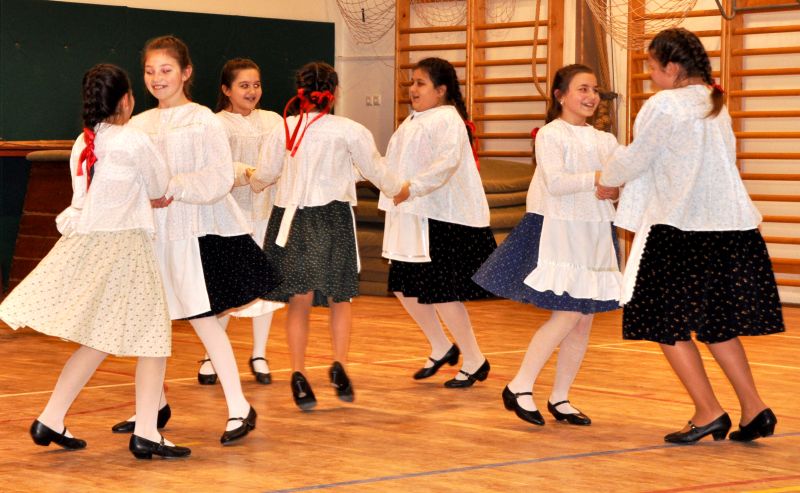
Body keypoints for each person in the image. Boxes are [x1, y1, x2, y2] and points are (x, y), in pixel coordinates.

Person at [598, 27, 785, 444]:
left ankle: (708, 411)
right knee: (718, 324)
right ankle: (754, 408)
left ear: (672, 67)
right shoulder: (714, 103)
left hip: (682, 229)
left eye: (652, 66)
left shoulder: (666, 104)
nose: (650, 75)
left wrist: (608, 180)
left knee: (661, 322)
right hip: (729, 229)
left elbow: (638, 156)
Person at [0, 64, 190, 459]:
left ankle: (51, 418)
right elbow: (159, 184)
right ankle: (146, 432)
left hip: (90, 245)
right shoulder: (132, 140)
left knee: (99, 340)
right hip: (125, 246)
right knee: (153, 338)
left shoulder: (83, 142)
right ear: (126, 100)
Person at [114, 35, 280, 444]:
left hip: (196, 233)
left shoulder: (204, 120)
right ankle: (152, 408)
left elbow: (219, 178)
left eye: (166, 70)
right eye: (150, 71)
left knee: (204, 321)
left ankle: (239, 406)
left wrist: (172, 187)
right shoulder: (138, 125)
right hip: (154, 235)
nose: (157, 78)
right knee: (151, 323)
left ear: (186, 72)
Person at [473, 64, 622, 426]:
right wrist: (599, 178)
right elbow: (556, 182)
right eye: (582, 89)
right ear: (561, 95)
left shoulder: (606, 141)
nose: (591, 96)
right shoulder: (550, 135)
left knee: (583, 319)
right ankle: (520, 385)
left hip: (596, 231)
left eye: (594, 90)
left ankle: (561, 397)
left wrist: (615, 188)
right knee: (567, 313)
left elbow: (618, 183)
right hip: (560, 229)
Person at [251, 61, 401, 410]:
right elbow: (375, 169)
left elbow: (266, 174)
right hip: (333, 219)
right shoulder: (349, 129)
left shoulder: (283, 129)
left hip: (293, 220)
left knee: (299, 301)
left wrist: (251, 180)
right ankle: (339, 364)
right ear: (334, 93)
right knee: (339, 297)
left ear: (300, 92)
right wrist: (399, 189)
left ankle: (298, 372)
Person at [380, 57, 496, 388]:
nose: (413, 89)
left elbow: (446, 164)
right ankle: (442, 346)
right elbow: (394, 164)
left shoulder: (447, 119)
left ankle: (474, 359)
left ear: (441, 90)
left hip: (443, 218)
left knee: (443, 293)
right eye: (411, 82)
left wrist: (411, 188)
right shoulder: (413, 120)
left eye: (421, 83)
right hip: (413, 215)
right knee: (403, 287)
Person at [195, 58, 285, 386]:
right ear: (226, 89)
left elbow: (285, 159)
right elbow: (216, 168)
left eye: (256, 85)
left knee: (266, 287)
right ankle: (212, 355)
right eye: (244, 86)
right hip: (229, 217)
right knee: (227, 289)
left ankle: (259, 354)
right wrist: (247, 173)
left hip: (266, 213)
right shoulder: (215, 124)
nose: (252, 91)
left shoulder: (274, 121)